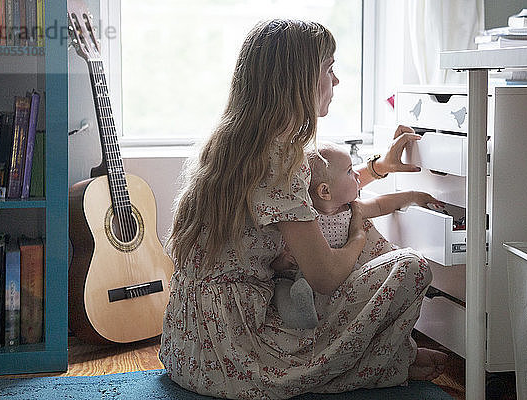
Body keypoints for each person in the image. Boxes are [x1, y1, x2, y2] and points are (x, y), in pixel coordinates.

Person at [160, 19, 447, 399]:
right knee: (411, 266)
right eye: (330, 68)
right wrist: (359, 234)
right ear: (302, 81)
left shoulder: (235, 143)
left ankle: (390, 358)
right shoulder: (281, 159)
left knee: (337, 225)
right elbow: (326, 276)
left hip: (188, 346)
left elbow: (317, 193)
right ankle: (385, 362)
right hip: (235, 353)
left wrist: (377, 168)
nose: (337, 81)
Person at [272, 142, 444, 330]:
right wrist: (283, 262)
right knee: (285, 286)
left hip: (345, 281)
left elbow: (380, 204)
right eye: (349, 171)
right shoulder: (302, 221)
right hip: (310, 283)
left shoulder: (352, 209)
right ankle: (298, 309)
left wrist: (412, 195)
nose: (356, 175)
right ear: (325, 191)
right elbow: (276, 265)